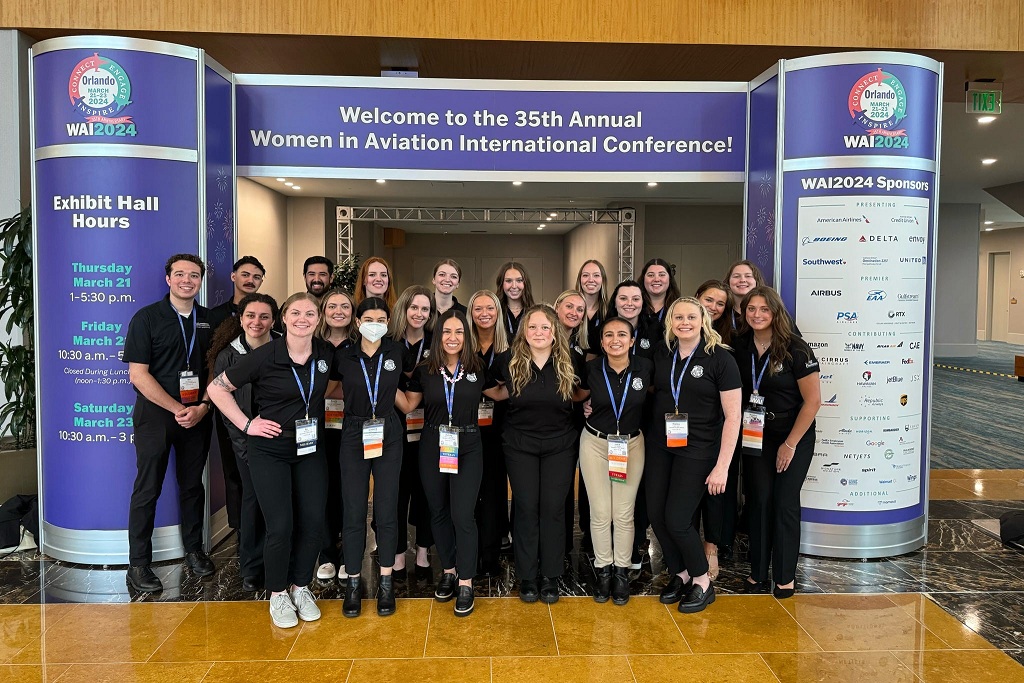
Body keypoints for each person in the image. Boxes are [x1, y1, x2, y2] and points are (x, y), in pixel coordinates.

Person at [208, 292, 333, 628]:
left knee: (312, 523)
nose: (303, 318)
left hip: (310, 450)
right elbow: (217, 389)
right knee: (280, 526)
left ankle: (300, 586)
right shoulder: (265, 355)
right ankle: (277, 593)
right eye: (296, 312)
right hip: (270, 451)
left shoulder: (325, 354)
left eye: (310, 313)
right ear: (283, 318)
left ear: (318, 319)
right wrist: (248, 423)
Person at [122, 254, 216, 593]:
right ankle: (139, 564)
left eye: (194, 275)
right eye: (180, 274)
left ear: (200, 281)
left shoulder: (209, 320)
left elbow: (218, 372)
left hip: (199, 416)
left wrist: (204, 406)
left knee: (192, 485)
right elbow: (138, 375)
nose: (187, 280)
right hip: (157, 417)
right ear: (168, 279)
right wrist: (178, 407)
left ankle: (193, 550)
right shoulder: (147, 318)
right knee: (148, 488)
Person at [404, 310, 504, 616]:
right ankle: (448, 570)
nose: (452, 338)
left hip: (469, 444)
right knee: (438, 511)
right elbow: (408, 404)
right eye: (447, 332)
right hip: (433, 443)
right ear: (438, 336)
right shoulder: (425, 370)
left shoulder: (477, 368)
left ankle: (465, 581)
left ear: (467, 336)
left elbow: (500, 394)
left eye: (459, 332)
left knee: (463, 514)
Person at [647, 297, 741, 614]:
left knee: (677, 518)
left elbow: (733, 417)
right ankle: (682, 573)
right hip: (661, 446)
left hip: (699, 449)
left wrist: (722, 467)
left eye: (691, 316)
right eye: (678, 317)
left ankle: (702, 580)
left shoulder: (720, 359)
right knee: (657, 515)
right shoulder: (663, 354)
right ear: (670, 321)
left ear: (703, 320)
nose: (684, 322)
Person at [491, 305, 585, 604]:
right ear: (523, 332)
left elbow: (582, 393)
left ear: (555, 332)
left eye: (545, 327)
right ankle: (528, 576)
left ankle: (551, 576)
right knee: (527, 507)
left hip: (560, 444)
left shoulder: (572, 360)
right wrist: (513, 393)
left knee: (554, 508)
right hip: (520, 445)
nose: (539, 333)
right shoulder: (507, 361)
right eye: (533, 327)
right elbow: (490, 390)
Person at [331, 297, 416, 617]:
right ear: (357, 322)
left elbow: (410, 381)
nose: (375, 323)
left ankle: (385, 583)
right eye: (369, 318)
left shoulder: (397, 351)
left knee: (386, 509)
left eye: (382, 318)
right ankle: (353, 582)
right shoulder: (343, 355)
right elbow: (331, 389)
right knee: (353, 511)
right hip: (354, 431)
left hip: (390, 430)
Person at [737, 286, 820, 599]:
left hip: (793, 433)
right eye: (751, 309)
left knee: (784, 503)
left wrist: (790, 445)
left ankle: (785, 576)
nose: (757, 315)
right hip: (756, 432)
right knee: (759, 501)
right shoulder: (740, 346)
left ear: (775, 312)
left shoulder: (796, 349)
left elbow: (812, 402)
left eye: (764, 309)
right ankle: (758, 572)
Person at [576, 317, 653, 604]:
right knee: (600, 512)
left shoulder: (645, 368)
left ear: (632, 341)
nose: (615, 339)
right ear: (602, 341)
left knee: (623, 513)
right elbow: (577, 396)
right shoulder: (592, 368)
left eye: (622, 334)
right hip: (595, 444)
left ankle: (621, 573)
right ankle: (603, 570)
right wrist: (584, 405)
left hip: (631, 445)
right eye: (609, 335)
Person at [206, 293, 280, 592]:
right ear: (240, 318)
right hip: (247, 443)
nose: (257, 322)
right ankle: (251, 566)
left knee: (280, 505)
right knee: (253, 502)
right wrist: (246, 439)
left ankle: (278, 562)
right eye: (250, 315)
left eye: (264, 317)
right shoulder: (229, 355)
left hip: (281, 441)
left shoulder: (285, 348)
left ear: (274, 320)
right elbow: (225, 404)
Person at [207, 255, 267, 538]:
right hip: (230, 408)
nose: (250, 280)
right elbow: (212, 368)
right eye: (245, 274)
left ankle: (257, 530)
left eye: (256, 276)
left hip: (265, 417)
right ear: (233, 277)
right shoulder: (214, 316)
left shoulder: (268, 320)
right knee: (235, 471)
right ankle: (241, 530)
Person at [389, 285, 436, 578]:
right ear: (404, 309)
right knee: (395, 492)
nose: (419, 314)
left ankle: (422, 551)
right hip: (393, 426)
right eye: (414, 308)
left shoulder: (437, 342)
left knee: (426, 491)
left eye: (425, 309)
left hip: (427, 425)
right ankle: (396, 554)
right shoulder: (389, 342)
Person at [693, 278, 737, 575]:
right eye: (709, 300)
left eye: (721, 303)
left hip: (720, 427)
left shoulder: (728, 343)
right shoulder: (680, 334)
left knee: (716, 489)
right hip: (687, 430)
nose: (714, 307)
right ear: (697, 298)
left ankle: (712, 547)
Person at [466, 289, 511, 576]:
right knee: (469, 493)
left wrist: (493, 391)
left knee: (494, 492)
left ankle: (491, 555)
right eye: (478, 309)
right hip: (467, 428)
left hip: (500, 429)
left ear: (498, 313)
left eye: (490, 309)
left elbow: (520, 383)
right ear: (470, 313)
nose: (484, 314)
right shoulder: (462, 348)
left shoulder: (511, 349)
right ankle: (469, 552)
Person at [314, 288, 357, 581]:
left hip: (351, 426)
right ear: (323, 310)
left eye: (345, 306)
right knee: (321, 490)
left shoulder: (359, 345)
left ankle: (349, 554)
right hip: (316, 427)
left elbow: (360, 387)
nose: (339, 311)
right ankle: (327, 553)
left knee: (349, 491)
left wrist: (328, 387)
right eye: (332, 306)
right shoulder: (313, 344)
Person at [554, 289, 591, 553]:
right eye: (569, 306)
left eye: (580, 309)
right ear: (556, 308)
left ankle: (565, 543)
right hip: (545, 425)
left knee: (567, 484)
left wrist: (587, 401)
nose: (574, 313)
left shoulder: (579, 349)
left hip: (572, 424)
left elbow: (582, 387)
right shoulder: (543, 340)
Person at [607, 280, 657, 359]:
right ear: (615, 303)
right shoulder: (602, 330)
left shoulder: (656, 330)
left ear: (642, 303)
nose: (629, 303)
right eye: (623, 298)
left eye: (635, 299)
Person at [640, 258, 681, 335]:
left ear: (670, 279)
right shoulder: (634, 308)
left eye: (662, 275)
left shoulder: (679, 308)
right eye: (651, 275)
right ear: (643, 279)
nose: (656, 279)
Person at [575, 259, 609, 353]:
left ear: (603, 280)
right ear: (580, 279)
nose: (590, 280)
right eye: (585, 275)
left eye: (596, 275)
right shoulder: (570, 311)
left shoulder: (610, 311)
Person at [495, 261, 535, 339]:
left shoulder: (534, 312)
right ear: (501, 284)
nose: (514, 286)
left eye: (519, 280)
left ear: (525, 283)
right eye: (508, 281)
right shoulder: (494, 312)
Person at [724, 260, 763, 334]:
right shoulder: (721, 311)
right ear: (728, 281)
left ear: (756, 281)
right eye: (736, 276)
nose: (742, 280)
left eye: (748, 276)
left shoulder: (769, 310)